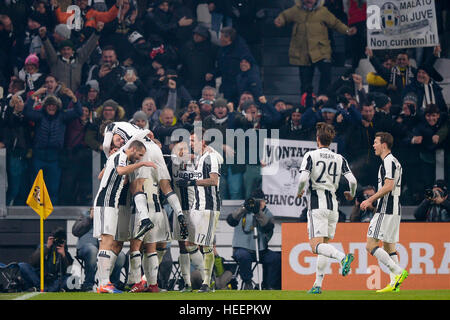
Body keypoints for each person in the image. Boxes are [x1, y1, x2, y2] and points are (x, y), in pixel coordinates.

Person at [296, 122, 357, 294]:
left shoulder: (311, 155)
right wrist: (351, 195)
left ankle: (342, 258)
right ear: (330, 140)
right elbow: (353, 181)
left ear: (317, 140)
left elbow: (302, 180)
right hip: (333, 205)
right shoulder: (340, 158)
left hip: (317, 203)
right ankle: (318, 284)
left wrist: (300, 192)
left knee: (315, 246)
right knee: (324, 246)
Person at [93, 139, 156, 293]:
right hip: (105, 202)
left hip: (110, 203)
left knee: (108, 240)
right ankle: (103, 283)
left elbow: (102, 176)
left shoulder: (117, 157)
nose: (139, 158)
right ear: (133, 148)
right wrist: (141, 165)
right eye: (139, 155)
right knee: (106, 240)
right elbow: (120, 171)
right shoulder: (121, 155)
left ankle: (102, 283)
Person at [274, 0, 357, 95]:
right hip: (303, 53)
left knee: (326, 76)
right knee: (305, 83)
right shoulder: (296, 10)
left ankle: (323, 98)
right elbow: (285, 15)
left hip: (321, 51)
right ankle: (307, 104)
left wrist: (347, 30)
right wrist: (280, 20)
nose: (309, 1)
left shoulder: (323, 11)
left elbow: (336, 23)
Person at [360, 132, 409, 293]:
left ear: (384, 144)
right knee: (389, 247)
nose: (373, 145)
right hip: (394, 209)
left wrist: (370, 200)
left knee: (370, 245)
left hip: (386, 209)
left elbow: (389, 186)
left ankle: (398, 271)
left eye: (376, 142)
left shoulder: (388, 161)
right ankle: (395, 285)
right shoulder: (394, 161)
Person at [174, 130, 222, 293]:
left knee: (207, 245)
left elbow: (214, 181)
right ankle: (205, 279)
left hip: (209, 207)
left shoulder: (211, 157)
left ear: (203, 142)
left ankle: (207, 283)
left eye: (194, 141)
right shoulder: (201, 159)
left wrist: (190, 182)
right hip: (197, 206)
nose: (191, 143)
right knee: (189, 244)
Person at [226, 189, 281, 290]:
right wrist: (243, 208)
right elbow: (231, 220)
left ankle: (268, 284)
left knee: (276, 258)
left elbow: (268, 227)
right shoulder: (243, 210)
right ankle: (247, 282)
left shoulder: (267, 213)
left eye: (261, 202)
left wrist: (257, 212)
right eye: (256, 202)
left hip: (261, 250)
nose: (259, 204)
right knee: (244, 256)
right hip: (241, 249)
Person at [72, 208, 126, 292]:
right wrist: (89, 218)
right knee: (92, 250)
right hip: (86, 248)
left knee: (121, 255)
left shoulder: (109, 216)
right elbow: (75, 231)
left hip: (105, 248)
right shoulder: (85, 214)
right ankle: (88, 284)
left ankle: (113, 284)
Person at [19, 227, 73, 292]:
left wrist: (63, 255)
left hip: (55, 280)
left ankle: (40, 290)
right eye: (56, 239)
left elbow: (69, 269)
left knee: (69, 278)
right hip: (40, 279)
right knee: (22, 265)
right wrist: (47, 248)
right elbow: (32, 262)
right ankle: (48, 289)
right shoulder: (43, 247)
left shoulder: (64, 251)